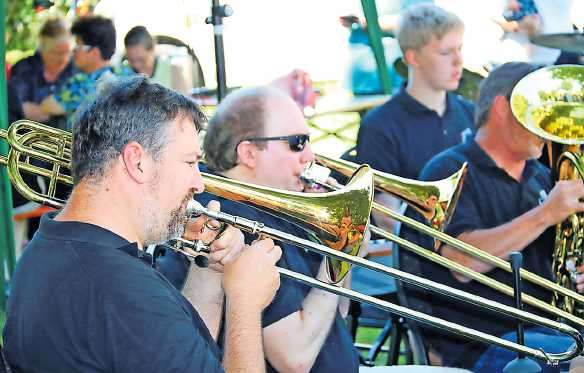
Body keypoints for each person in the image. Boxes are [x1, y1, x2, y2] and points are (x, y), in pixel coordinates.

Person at [157, 85, 472, 373]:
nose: (311, 156)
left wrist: (342, 251)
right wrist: (340, 251)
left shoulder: (280, 208)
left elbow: (337, 313)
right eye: (297, 143)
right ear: (248, 152)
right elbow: (295, 357)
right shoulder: (234, 223)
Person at [2, 75, 282, 372]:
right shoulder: (121, 291)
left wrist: (208, 269)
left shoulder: (51, 247)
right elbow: (144, 320)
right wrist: (245, 305)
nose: (199, 184)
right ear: (137, 162)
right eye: (189, 163)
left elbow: (172, 347)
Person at [400, 62, 584, 372]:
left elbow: (560, 258)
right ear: (503, 107)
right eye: (540, 113)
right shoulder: (449, 171)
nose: (548, 127)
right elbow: (462, 261)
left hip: (551, 330)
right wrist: (545, 214)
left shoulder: (540, 176)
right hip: (483, 341)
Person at [354, 3, 475, 232]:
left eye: (460, 49)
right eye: (446, 52)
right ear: (413, 58)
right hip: (424, 258)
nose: (458, 61)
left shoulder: (472, 113)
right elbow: (385, 214)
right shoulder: (380, 126)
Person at [39, 15, 132, 129]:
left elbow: (46, 107)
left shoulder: (80, 83)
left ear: (94, 52)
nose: (74, 51)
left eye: (78, 45)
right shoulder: (130, 76)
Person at [9, 16, 74, 125]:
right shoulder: (24, 69)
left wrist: (44, 109)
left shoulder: (74, 68)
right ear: (43, 49)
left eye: (68, 52)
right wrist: (58, 109)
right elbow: (19, 111)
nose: (64, 59)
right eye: (58, 53)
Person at [123, 25, 191, 95]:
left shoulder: (173, 71)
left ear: (152, 49)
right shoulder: (123, 73)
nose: (136, 65)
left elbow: (185, 103)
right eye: (131, 60)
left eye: (141, 60)